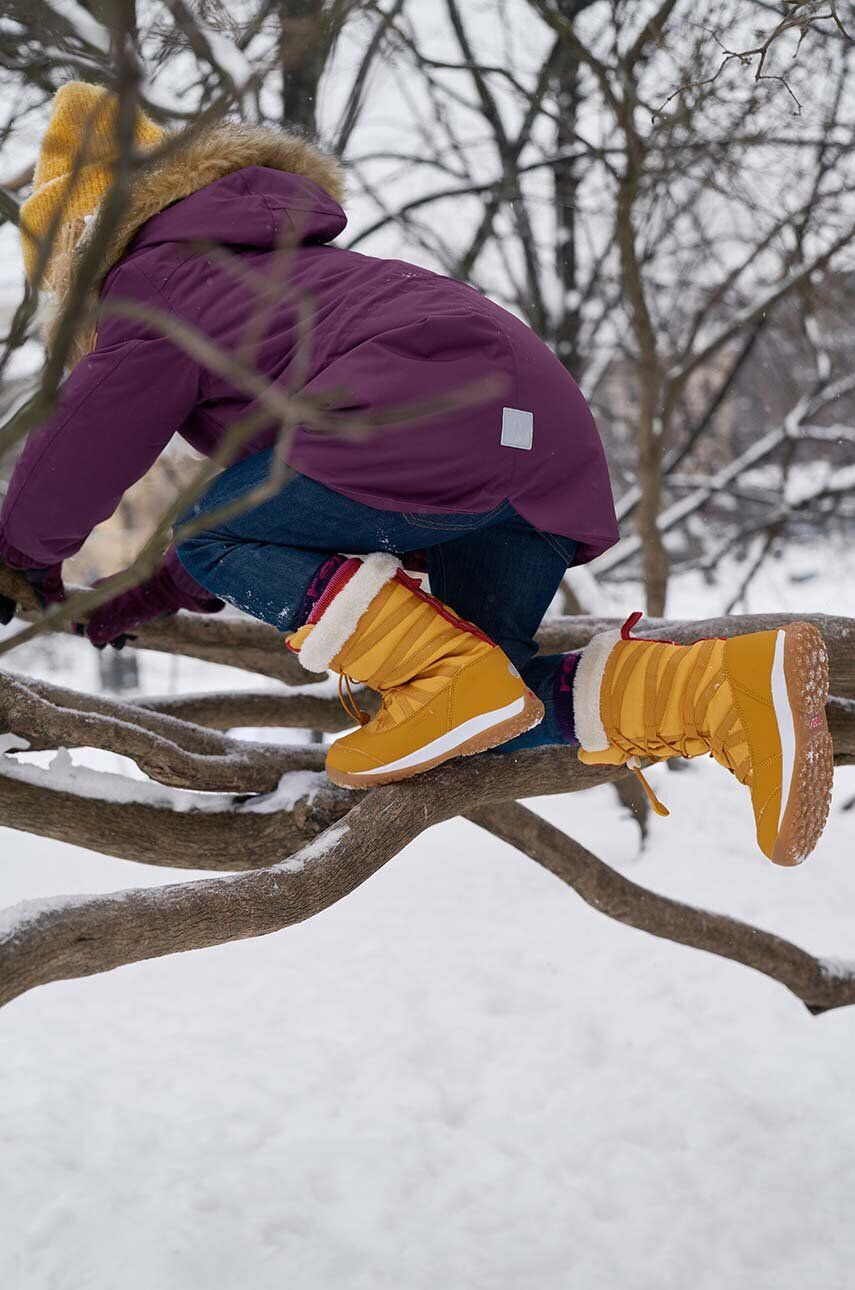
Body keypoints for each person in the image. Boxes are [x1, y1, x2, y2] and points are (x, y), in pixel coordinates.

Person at [0, 83, 833, 866]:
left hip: (428, 415)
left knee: (223, 533)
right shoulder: (269, 273)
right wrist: (148, 593)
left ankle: (442, 677)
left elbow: (84, 442)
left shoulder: (157, 282)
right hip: (539, 442)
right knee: (489, 711)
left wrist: (24, 552)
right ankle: (722, 688)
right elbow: (289, 509)